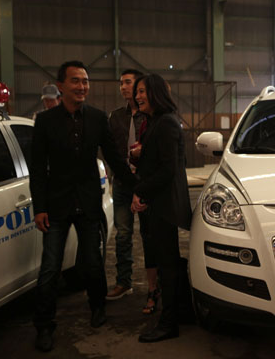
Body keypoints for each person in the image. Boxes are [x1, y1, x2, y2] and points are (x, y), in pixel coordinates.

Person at [30, 60, 135, 352]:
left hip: (88, 203)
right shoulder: (45, 121)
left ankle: (97, 307)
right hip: (56, 205)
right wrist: (39, 207)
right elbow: (37, 168)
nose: (82, 86)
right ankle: (44, 325)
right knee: (50, 267)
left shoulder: (98, 118)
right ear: (61, 86)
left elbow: (114, 158)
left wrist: (138, 186)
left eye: (85, 81)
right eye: (75, 81)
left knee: (92, 261)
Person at [130, 74, 191, 343]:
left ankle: (169, 323)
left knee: (167, 263)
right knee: (169, 261)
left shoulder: (166, 122)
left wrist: (140, 191)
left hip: (165, 205)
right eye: (137, 92)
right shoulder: (155, 121)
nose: (137, 96)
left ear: (155, 93)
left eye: (142, 91)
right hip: (159, 202)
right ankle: (182, 312)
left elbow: (168, 169)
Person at [106, 69, 159, 314]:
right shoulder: (115, 116)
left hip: (145, 183)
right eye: (121, 83)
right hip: (122, 183)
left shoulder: (151, 116)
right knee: (123, 234)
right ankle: (123, 282)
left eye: (128, 82)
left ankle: (154, 288)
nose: (123, 87)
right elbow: (110, 149)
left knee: (149, 236)